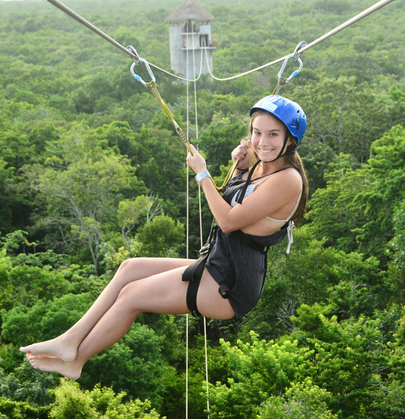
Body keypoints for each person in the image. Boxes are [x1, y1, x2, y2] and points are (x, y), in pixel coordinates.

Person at [20, 95, 308, 380]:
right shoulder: (261, 165)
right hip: (217, 263)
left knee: (131, 296)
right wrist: (240, 167)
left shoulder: (287, 179)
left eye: (273, 134)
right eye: (257, 132)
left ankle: (76, 362)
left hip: (230, 284)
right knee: (129, 268)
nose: (262, 142)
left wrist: (202, 173)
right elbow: (238, 198)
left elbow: (229, 220)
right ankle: (71, 339)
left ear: (290, 140)